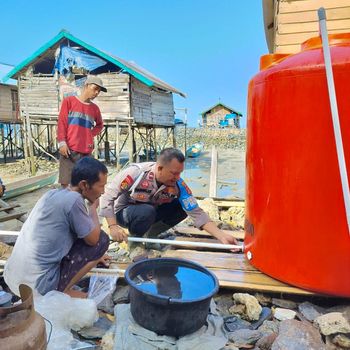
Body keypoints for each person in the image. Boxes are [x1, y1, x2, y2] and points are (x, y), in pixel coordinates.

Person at [4, 157, 110, 298]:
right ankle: (63, 291)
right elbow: (93, 240)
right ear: (84, 185)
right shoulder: (74, 201)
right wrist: (92, 208)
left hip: (13, 278)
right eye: (101, 186)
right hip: (37, 287)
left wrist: (96, 258)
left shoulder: (51, 194)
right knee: (102, 240)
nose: (103, 192)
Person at [99, 147, 239, 248]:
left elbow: (196, 212)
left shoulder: (178, 184)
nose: (177, 177)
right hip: (125, 213)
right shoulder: (136, 173)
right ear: (159, 168)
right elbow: (107, 198)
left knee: (181, 206)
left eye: (180, 173)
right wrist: (112, 226)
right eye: (173, 173)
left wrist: (221, 236)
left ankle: (151, 236)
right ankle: (135, 243)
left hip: (150, 213)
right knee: (146, 211)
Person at [57, 75, 106, 187]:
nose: (97, 93)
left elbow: (99, 125)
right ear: (86, 85)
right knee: (66, 184)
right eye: (95, 89)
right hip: (69, 150)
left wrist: (89, 134)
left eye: (99, 91)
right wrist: (62, 142)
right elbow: (62, 123)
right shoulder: (69, 101)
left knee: (86, 185)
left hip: (86, 152)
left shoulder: (95, 109)